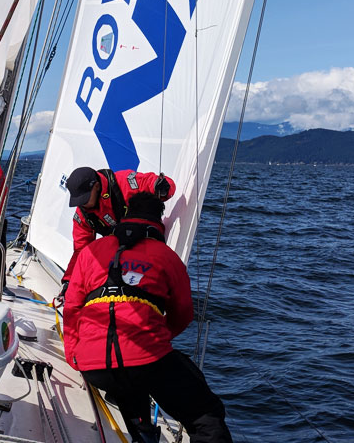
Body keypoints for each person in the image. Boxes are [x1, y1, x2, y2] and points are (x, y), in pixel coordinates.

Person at [62, 192, 233, 443]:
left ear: (125, 216)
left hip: (92, 367)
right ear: (158, 222)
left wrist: (73, 354)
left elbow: (72, 307)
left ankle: (141, 430)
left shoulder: (90, 252)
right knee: (206, 416)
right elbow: (183, 314)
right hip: (145, 364)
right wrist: (155, 335)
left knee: (127, 380)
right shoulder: (167, 257)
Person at [63, 166, 175, 285]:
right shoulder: (83, 216)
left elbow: (151, 182)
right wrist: (68, 281)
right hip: (120, 258)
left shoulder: (124, 182)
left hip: (148, 248)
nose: (81, 205)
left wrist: (161, 186)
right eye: (78, 201)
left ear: (96, 186)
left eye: (84, 200)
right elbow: (81, 251)